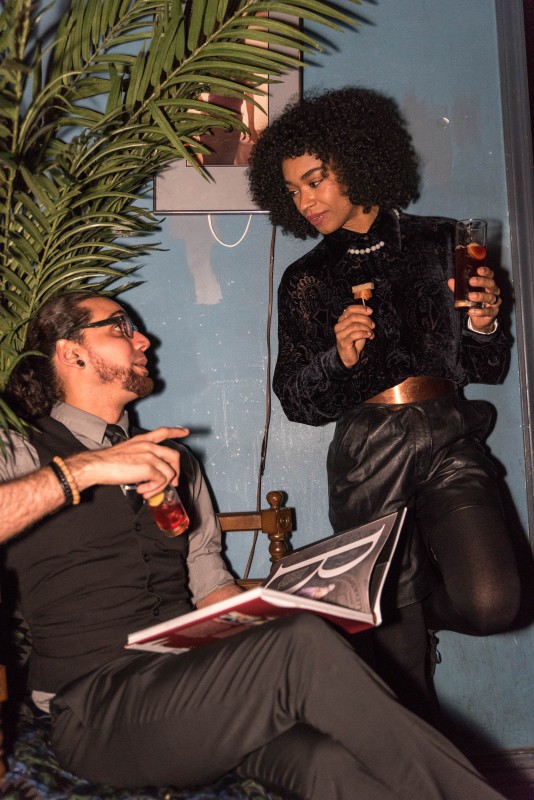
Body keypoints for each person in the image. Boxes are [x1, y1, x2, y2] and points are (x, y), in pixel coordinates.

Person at [0, 291, 506, 799]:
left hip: (190, 683)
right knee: (300, 643)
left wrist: (296, 605)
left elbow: (211, 589)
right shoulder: (20, 450)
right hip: (92, 707)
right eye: (120, 327)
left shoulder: (175, 461)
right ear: (71, 351)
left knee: (329, 764)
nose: (143, 340)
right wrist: (83, 470)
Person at [246, 86, 521, 720]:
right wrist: (338, 359)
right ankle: (404, 635)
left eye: (315, 179)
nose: (305, 201)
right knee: (404, 673)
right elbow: (298, 402)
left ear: (358, 161)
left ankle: (417, 610)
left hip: (449, 434)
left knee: (492, 602)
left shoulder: (444, 241)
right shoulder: (306, 279)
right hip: (369, 453)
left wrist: (483, 324)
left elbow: (487, 368)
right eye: (292, 190)